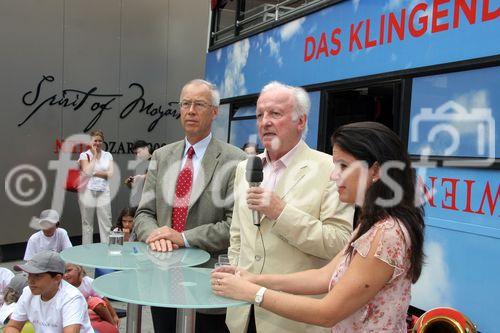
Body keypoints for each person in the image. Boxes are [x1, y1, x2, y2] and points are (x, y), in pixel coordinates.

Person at [212, 121, 425, 333]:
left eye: (344, 165)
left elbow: (326, 313)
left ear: (376, 171)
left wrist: (252, 292)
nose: (333, 175)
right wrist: (254, 278)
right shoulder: (373, 223)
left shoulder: (387, 233)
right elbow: (324, 277)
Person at [225, 81, 355, 333]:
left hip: (294, 321)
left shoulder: (330, 169)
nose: (264, 122)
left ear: (301, 121)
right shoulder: (245, 167)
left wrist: (280, 212)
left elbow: (339, 244)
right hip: (243, 313)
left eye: (275, 113)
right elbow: (237, 234)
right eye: (260, 114)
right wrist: (236, 272)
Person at [133, 79, 246, 332]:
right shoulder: (162, 157)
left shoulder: (236, 160)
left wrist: (182, 237)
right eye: (185, 104)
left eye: (199, 104)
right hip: (161, 279)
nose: (191, 110)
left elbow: (233, 225)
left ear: (215, 111)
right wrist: (157, 235)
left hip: (207, 284)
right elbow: (143, 214)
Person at [5, 251, 93, 333]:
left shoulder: (72, 298)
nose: (30, 281)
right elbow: (13, 326)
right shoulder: (28, 292)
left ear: (57, 278)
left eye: (37, 276)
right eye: (29, 275)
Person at [79, 129, 114, 244]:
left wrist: (94, 172)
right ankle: (87, 250)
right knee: (87, 223)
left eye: (100, 141)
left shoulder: (108, 155)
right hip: (87, 191)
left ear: (102, 142)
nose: (97, 143)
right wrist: (94, 156)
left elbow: (110, 174)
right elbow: (87, 171)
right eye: (95, 140)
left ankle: (106, 249)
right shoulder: (84, 155)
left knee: (106, 222)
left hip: (103, 191)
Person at [64, 263, 119, 333]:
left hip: (86, 306)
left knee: (95, 301)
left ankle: (113, 325)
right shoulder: (64, 285)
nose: (65, 275)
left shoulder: (88, 282)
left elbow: (103, 298)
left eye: (69, 270)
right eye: (64, 272)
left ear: (78, 269)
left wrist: (114, 315)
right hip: (73, 309)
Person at [124, 140, 152, 207]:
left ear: (146, 148)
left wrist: (141, 177)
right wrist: (130, 183)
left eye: (138, 152)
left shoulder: (156, 159)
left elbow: (156, 175)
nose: (138, 155)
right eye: (135, 153)